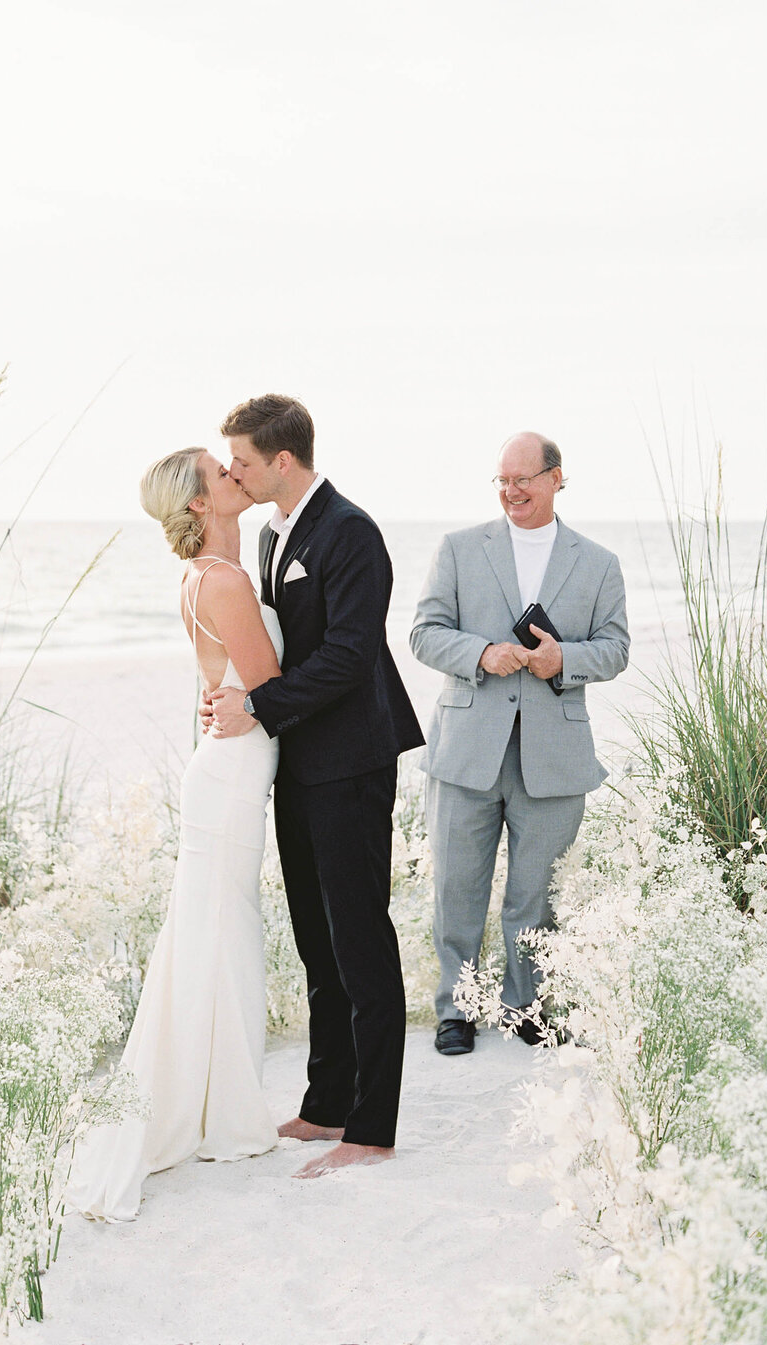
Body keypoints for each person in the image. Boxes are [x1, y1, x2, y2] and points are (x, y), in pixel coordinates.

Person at [207, 395, 423, 1178]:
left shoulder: (351, 532)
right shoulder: (273, 532)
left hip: (354, 760)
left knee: (361, 939)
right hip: (298, 760)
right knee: (316, 942)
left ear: (283, 460)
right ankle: (327, 1100)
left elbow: (348, 654)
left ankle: (372, 1124)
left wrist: (257, 705)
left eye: (244, 462)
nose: (234, 472)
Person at [67, 447, 284, 1220]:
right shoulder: (223, 580)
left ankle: (210, 1099)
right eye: (219, 474)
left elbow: (237, 687)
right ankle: (218, 1110)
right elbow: (269, 686)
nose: (235, 474)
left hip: (223, 770)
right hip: (228, 778)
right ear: (200, 505)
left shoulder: (202, 577)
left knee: (211, 935)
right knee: (222, 933)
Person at [409, 431, 629, 1056]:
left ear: (557, 477)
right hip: (465, 747)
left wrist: (565, 659)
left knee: (535, 893)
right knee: (457, 887)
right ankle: (457, 1008)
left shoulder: (599, 563)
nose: (511, 492)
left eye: (523, 479)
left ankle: (526, 1004)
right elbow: (424, 634)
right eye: (502, 481)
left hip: (553, 757)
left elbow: (615, 648)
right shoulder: (457, 549)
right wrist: (480, 652)